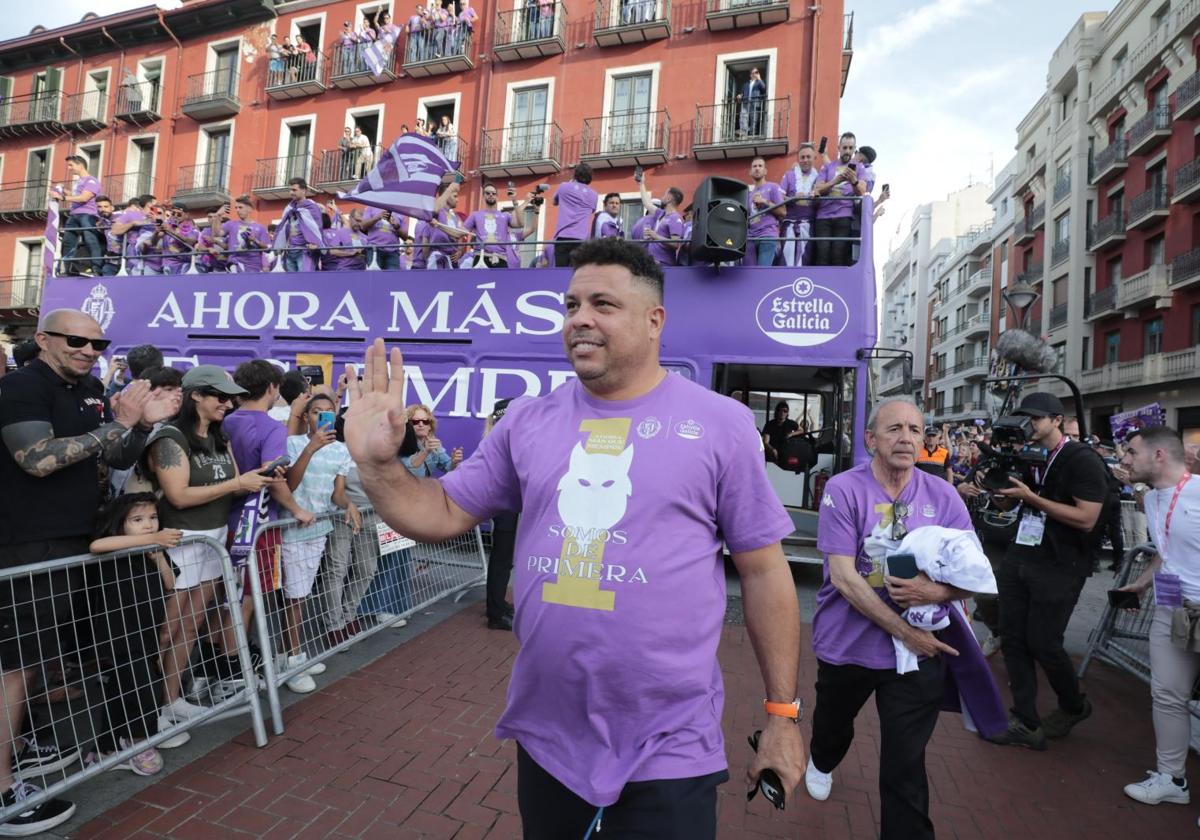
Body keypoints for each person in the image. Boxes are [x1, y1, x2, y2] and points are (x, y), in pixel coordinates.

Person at [342, 238, 805, 838]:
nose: (580, 318)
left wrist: (782, 716)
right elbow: (444, 508)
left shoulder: (721, 424)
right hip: (549, 738)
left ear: (654, 320)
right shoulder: (527, 422)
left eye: (603, 304)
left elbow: (766, 571)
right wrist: (379, 468)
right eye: (571, 304)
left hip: (669, 746)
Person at [0, 309, 177, 834]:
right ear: (44, 339)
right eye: (76, 340)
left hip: (78, 541)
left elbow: (110, 455)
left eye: (98, 342)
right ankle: (4, 788)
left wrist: (140, 424)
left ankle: (23, 744)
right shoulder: (21, 386)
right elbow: (38, 459)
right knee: (15, 666)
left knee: (37, 660)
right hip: (28, 544)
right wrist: (119, 424)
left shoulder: (95, 387)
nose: (88, 349)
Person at [807, 396, 981, 840]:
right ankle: (823, 759)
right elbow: (844, 578)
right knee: (833, 725)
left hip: (916, 655)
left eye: (915, 430)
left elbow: (975, 572)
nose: (906, 438)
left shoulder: (942, 494)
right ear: (871, 439)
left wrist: (936, 591)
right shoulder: (844, 489)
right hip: (850, 645)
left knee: (905, 765)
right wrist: (905, 630)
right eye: (894, 429)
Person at [146, 366, 280, 733]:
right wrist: (238, 482)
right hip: (179, 542)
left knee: (191, 626)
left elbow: (231, 485)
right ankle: (148, 708)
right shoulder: (170, 438)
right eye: (220, 396)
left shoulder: (220, 436)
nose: (228, 402)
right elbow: (178, 495)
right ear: (196, 396)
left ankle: (172, 700)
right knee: (166, 630)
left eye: (230, 396)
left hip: (213, 540)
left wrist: (261, 478)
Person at [987, 392, 1106, 749]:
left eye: (1036, 418)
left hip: (1063, 563)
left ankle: (1073, 704)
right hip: (1022, 554)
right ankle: (1025, 720)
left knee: (1044, 643)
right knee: (1013, 638)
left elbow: (1087, 519)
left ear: (1057, 419)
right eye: (1026, 418)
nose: (1030, 424)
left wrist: (1031, 498)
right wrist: (998, 491)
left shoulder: (1081, 459)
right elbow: (1011, 497)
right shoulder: (1026, 453)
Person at [1115, 427, 1200, 811]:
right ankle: (1173, 779)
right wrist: (1141, 584)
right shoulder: (1150, 499)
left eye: (1131, 452)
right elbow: (1165, 551)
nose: (1125, 459)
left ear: (1160, 455)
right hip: (1170, 610)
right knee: (1166, 695)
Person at [84, 492, 181, 777]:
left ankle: (104, 748)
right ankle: (140, 742)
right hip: (120, 635)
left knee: (120, 690)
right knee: (144, 688)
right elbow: (96, 544)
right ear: (120, 523)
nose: (148, 525)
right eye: (137, 519)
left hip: (146, 631)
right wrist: (150, 540)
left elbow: (170, 582)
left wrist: (159, 556)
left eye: (152, 518)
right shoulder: (117, 548)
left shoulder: (152, 549)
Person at [279, 393, 350, 692]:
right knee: (294, 598)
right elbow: (288, 485)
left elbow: (337, 494)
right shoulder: (292, 444)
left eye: (328, 412)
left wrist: (351, 505)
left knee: (302, 595)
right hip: (290, 529)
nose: (322, 417)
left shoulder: (342, 451)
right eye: (315, 412)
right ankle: (293, 661)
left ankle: (290, 655)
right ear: (306, 417)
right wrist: (310, 448)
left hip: (319, 531)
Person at [813, 132, 868, 266]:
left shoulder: (859, 167)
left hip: (844, 216)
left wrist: (853, 180)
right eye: (845, 147)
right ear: (839, 148)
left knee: (838, 256)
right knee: (822, 255)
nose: (847, 151)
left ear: (854, 149)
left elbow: (862, 191)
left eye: (851, 148)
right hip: (823, 217)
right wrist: (835, 181)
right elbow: (817, 189)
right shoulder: (828, 166)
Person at [52, 155, 104, 277]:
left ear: (80, 165)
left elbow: (84, 198)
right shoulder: (79, 182)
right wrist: (65, 191)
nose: (69, 168)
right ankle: (69, 268)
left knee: (91, 241)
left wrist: (63, 197)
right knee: (67, 242)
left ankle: (96, 269)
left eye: (71, 165)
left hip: (88, 215)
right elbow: (76, 196)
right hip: (74, 215)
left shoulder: (91, 181)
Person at [463, 184, 523, 269]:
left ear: (497, 196)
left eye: (493, 193)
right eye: (488, 193)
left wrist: (515, 201)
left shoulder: (505, 215)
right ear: (483, 196)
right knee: (479, 282)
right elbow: (461, 231)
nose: (491, 195)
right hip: (481, 257)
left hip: (501, 258)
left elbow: (520, 224)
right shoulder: (475, 215)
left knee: (502, 283)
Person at [780, 143, 819, 266]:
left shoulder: (819, 177)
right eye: (802, 157)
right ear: (798, 159)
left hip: (809, 224)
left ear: (814, 158)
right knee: (786, 258)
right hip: (789, 223)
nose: (805, 160)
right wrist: (792, 199)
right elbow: (779, 197)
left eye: (808, 157)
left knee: (805, 259)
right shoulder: (789, 175)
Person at [552, 163, 598, 268]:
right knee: (577, 273)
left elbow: (554, 202)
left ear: (575, 175)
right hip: (581, 239)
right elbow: (591, 211)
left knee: (560, 273)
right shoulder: (594, 195)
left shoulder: (564, 187)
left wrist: (570, 182)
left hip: (563, 237)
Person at [274, 178, 323, 271]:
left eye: (294, 190)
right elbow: (283, 229)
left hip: (305, 251)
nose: (291, 192)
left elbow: (318, 229)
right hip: (289, 252)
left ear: (304, 190)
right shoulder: (289, 208)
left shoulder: (312, 207)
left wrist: (316, 244)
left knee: (305, 282)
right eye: (290, 190)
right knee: (291, 284)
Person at [402, 404, 462, 477]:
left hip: (422, 487)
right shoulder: (401, 443)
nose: (421, 424)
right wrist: (426, 451)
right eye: (416, 421)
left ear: (430, 426)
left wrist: (454, 462)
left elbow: (448, 467)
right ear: (408, 425)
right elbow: (409, 471)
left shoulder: (433, 444)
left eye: (425, 421)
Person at [746, 157, 785, 267]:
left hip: (768, 235)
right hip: (751, 238)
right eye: (754, 166)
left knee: (762, 273)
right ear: (750, 172)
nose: (757, 169)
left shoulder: (773, 187)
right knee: (749, 274)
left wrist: (764, 201)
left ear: (765, 171)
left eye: (760, 166)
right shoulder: (749, 195)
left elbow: (783, 212)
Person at [219, 195, 270, 274]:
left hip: (254, 265)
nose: (238, 210)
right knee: (235, 278)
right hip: (235, 261)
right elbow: (217, 233)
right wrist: (217, 216)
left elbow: (268, 249)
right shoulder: (231, 224)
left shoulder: (260, 227)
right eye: (236, 208)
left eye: (240, 207)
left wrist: (255, 240)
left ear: (249, 209)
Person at [642, 183, 685, 267]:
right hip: (654, 262)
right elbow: (647, 204)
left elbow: (675, 244)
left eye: (664, 194)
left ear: (669, 198)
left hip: (664, 264)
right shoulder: (661, 214)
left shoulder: (675, 219)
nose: (662, 197)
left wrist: (655, 236)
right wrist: (641, 183)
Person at [761, 400, 800, 465]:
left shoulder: (790, 423)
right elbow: (766, 442)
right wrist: (772, 450)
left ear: (787, 413)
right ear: (777, 412)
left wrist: (791, 434)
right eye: (780, 410)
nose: (782, 413)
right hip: (771, 454)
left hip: (786, 453)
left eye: (785, 411)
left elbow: (801, 430)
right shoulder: (770, 424)